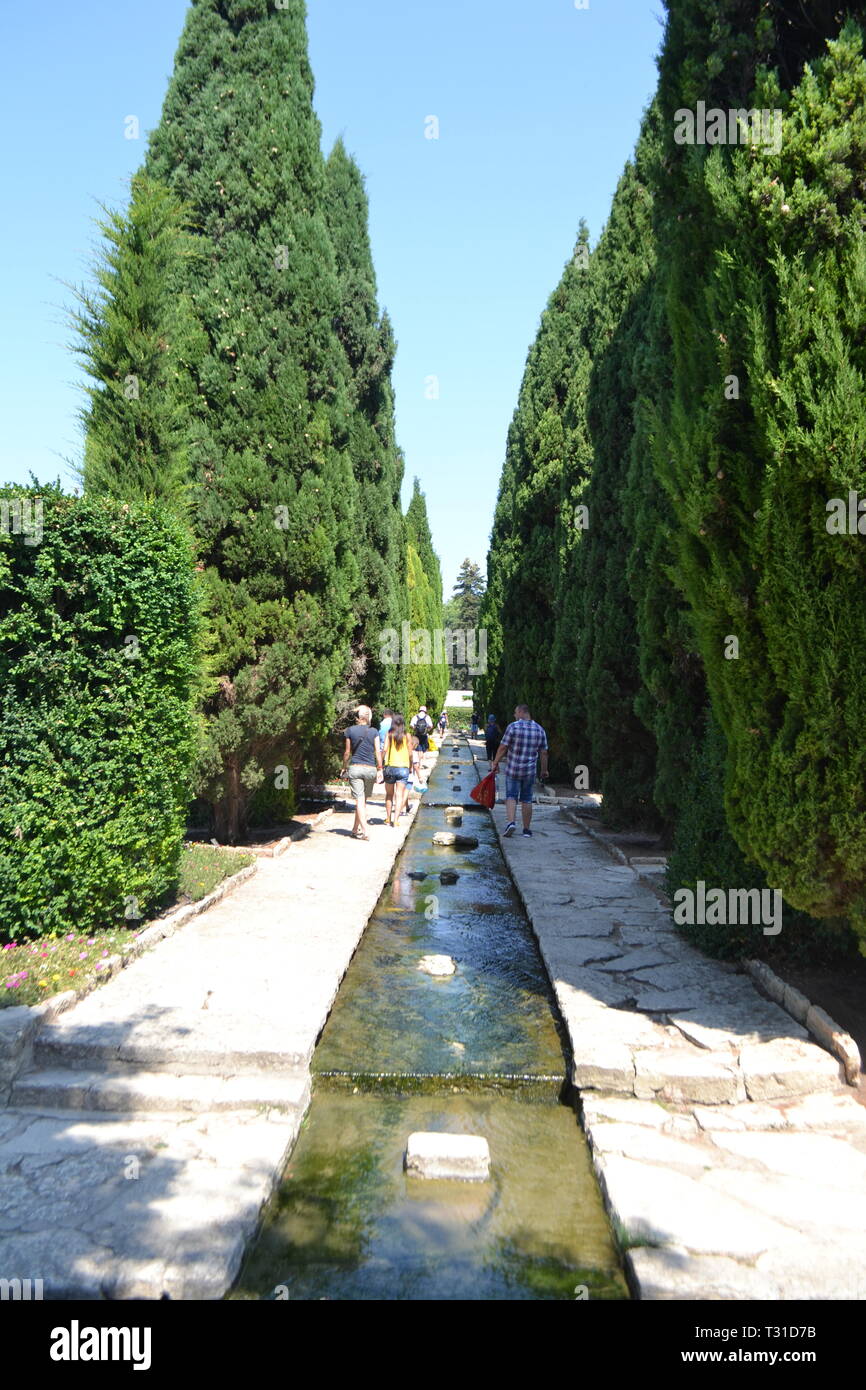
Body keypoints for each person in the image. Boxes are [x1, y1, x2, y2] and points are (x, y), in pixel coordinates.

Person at [490, 703, 549, 838]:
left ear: (522, 712)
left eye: (515, 713)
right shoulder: (540, 730)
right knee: (527, 799)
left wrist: (495, 762)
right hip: (529, 771)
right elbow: (544, 753)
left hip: (513, 770)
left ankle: (511, 823)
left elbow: (503, 747)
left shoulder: (513, 727)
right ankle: (527, 830)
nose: (514, 715)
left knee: (511, 796)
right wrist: (544, 771)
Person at [340, 704, 384, 840]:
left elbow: (347, 752)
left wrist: (344, 766)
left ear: (358, 717)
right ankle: (354, 829)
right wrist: (380, 768)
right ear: (368, 717)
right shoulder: (374, 731)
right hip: (370, 769)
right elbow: (377, 751)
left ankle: (365, 831)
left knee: (359, 800)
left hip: (356, 768)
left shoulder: (349, 731)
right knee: (362, 801)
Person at [382, 714, 417, 826]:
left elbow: (385, 749)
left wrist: (380, 763)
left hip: (390, 767)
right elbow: (410, 754)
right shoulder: (407, 735)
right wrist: (411, 766)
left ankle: (388, 818)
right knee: (399, 795)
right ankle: (396, 820)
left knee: (389, 795)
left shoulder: (389, 734)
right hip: (403, 768)